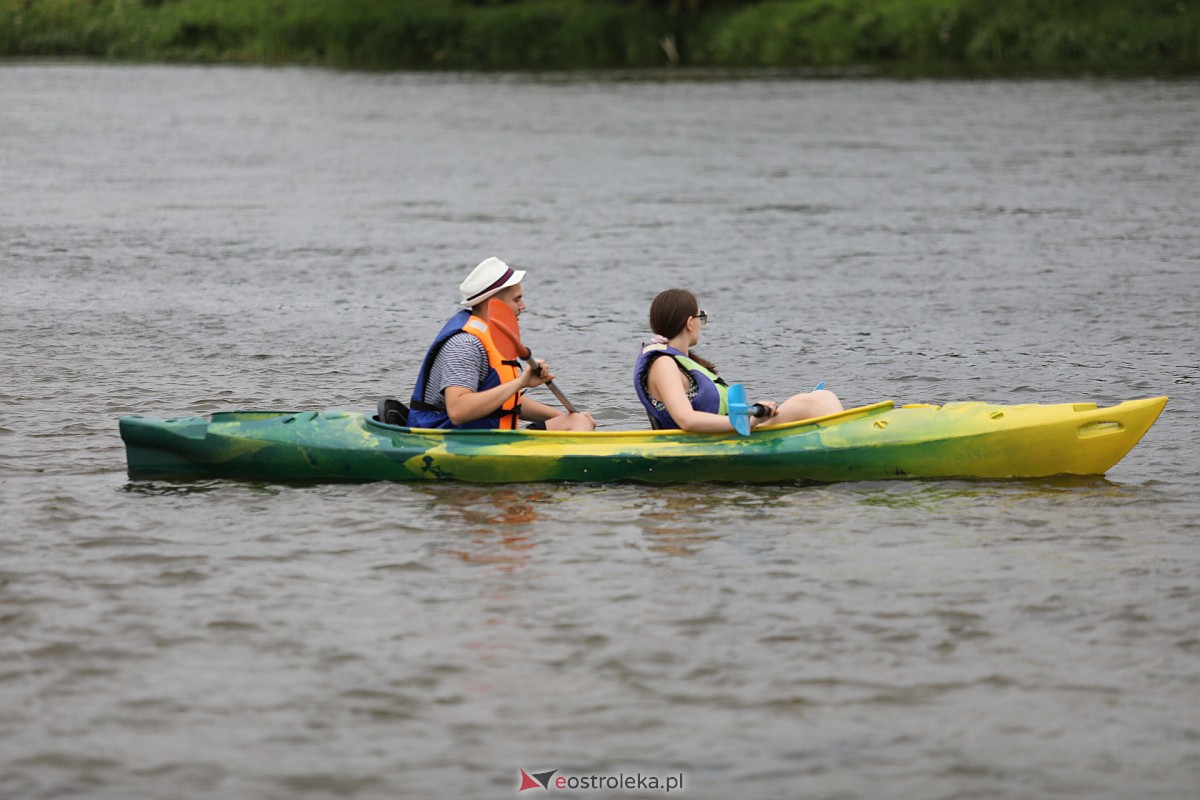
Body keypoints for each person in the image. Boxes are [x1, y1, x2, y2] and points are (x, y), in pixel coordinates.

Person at [408, 257, 596, 431]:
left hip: (483, 438)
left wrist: (564, 417)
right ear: (493, 305)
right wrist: (520, 382)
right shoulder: (466, 345)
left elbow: (506, 401)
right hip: (447, 440)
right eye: (517, 299)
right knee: (578, 423)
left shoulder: (490, 338)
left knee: (578, 421)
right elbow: (459, 411)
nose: (523, 306)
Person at [633, 288, 843, 432]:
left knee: (819, 397)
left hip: (725, 434)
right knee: (810, 402)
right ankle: (847, 444)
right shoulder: (663, 363)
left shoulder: (677, 362)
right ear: (690, 323)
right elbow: (686, 420)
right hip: (712, 440)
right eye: (701, 317)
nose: (701, 324)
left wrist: (753, 412)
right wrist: (749, 422)